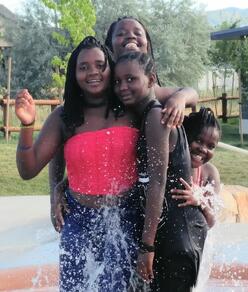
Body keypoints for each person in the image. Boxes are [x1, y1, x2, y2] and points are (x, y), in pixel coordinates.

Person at [15, 36, 143, 292]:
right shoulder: (64, 116)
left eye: (99, 65)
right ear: (74, 74)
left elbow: (180, 97)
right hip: (79, 221)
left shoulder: (132, 108)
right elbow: (28, 170)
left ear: (111, 68)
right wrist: (27, 124)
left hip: (125, 219)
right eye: (83, 67)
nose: (92, 72)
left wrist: (182, 98)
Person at [49, 16, 199, 228]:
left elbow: (192, 92)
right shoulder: (104, 94)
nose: (130, 36)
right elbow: (65, 137)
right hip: (133, 200)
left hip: (166, 198)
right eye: (121, 33)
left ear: (148, 43)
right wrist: (58, 187)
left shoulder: (149, 92)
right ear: (108, 47)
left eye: (138, 32)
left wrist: (179, 98)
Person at [171, 107, 221, 228]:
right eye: (198, 140)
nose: (203, 149)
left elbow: (211, 221)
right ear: (185, 136)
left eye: (211, 146)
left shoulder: (209, 173)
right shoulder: (169, 165)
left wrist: (199, 201)